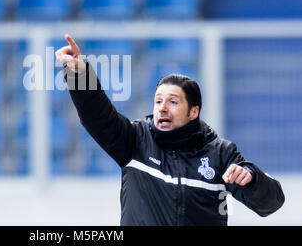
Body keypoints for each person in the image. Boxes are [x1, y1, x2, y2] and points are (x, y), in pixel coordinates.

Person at [55, 34, 285, 226]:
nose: (162, 108)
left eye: (173, 102)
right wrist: (79, 74)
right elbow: (97, 116)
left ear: (193, 111)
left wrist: (252, 177)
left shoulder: (220, 154)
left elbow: (271, 204)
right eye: (157, 101)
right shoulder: (135, 140)